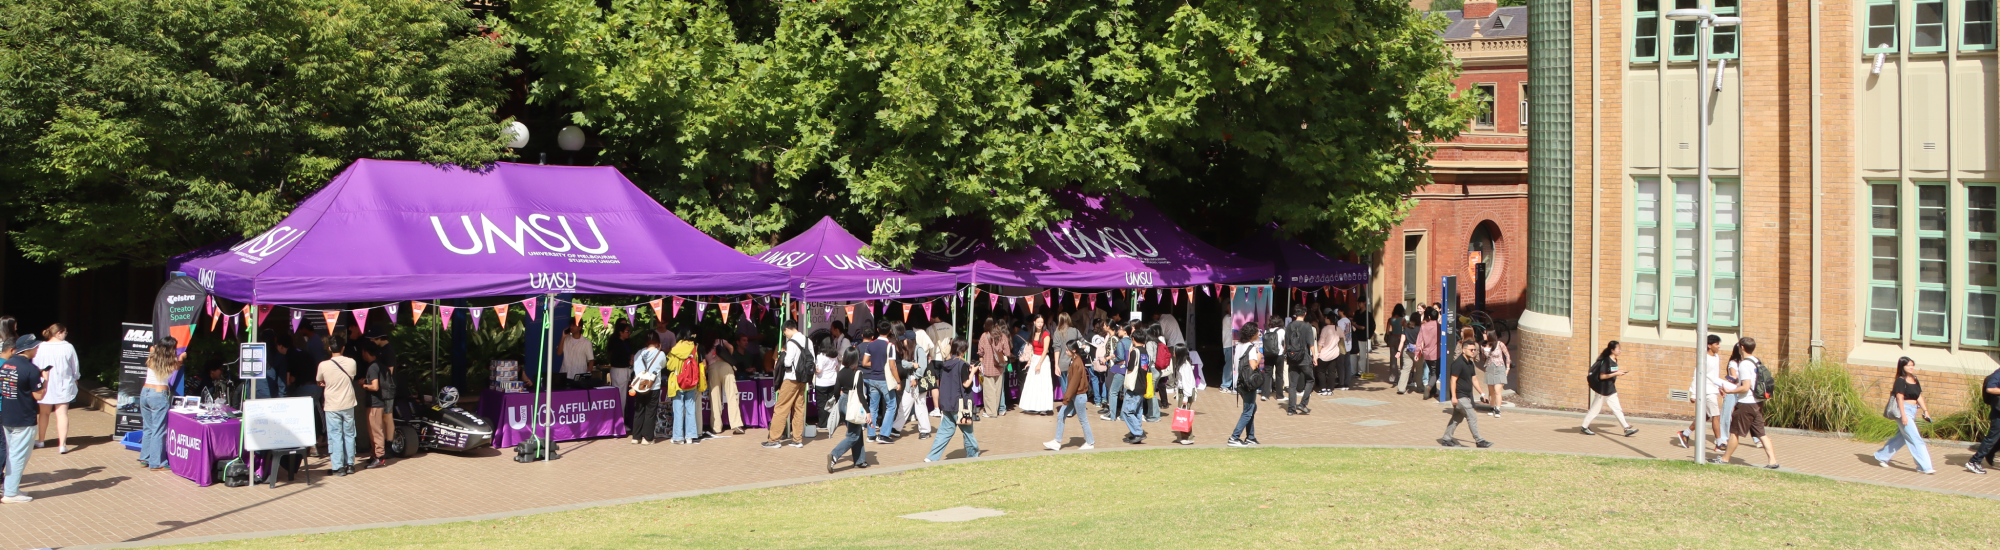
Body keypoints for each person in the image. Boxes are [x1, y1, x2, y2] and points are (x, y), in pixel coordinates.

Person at [1715, 338, 1778, 469]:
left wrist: (1729, 390)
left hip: (1746, 403)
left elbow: (1745, 387)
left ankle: (1725, 459)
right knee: (1761, 433)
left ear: (1742, 347)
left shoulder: (1744, 364)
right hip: (1757, 402)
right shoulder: (1756, 361)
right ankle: (1773, 461)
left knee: (1734, 433)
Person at [0, 335, 44, 503]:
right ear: (28, 349)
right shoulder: (31, 369)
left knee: (12, 453)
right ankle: (10, 493)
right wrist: (45, 380)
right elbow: (38, 395)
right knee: (19, 456)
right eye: (35, 347)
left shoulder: (6, 365)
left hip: (7, 416)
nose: (37, 350)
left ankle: (12, 488)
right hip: (24, 418)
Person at [1874, 357, 1936, 474]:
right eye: (1908, 365)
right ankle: (1925, 467)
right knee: (1916, 438)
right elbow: (1899, 398)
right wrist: (1903, 415)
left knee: (1902, 437)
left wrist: (1925, 410)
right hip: (1904, 410)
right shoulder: (1900, 380)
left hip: (1913, 410)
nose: (1911, 367)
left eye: (1912, 365)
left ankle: (1881, 456)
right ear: (1902, 366)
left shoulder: (1915, 379)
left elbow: (1918, 396)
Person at [926, 339, 979, 462]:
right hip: (959, 404)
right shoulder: (962, 364)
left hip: (946, 403)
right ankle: (973, 456)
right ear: (964, 350)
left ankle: (931, 457)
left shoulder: (947, 363)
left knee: (944, 432)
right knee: (968, 432)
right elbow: (966, 384)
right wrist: (973, 372)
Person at [1677, 334, 1732, 450]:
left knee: (1705, 416)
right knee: (1716, 416)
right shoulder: (1704, 359)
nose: (1719, 346)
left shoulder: (1716, 357)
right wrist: (1693, 394)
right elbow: (1697, 375)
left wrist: (1720, 388)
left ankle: (1685, 433)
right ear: (1709, 345)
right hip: (1706, 392)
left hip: (1713, 390)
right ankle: (1719, 443)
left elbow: (1714, 376)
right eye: (1717, 344)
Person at [316, 334, 360, 476]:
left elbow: (319, 380)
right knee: (349, 433)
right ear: (343, 348)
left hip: (332, 404)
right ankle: (350, 464)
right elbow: (352, 376)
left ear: (329, 348)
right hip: (348, 402)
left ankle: (338, 467)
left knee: (335, 435)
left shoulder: (323, 365)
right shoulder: (351, 362)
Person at [765, 321, 813, 449]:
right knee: (799, 409)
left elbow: (787, 363)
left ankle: (774, 439)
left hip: (791, 378)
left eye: (784, 332)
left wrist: (783, 354)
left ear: (787, 329)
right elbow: (812, 359)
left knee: (781, 408)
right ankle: (797, 439)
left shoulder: (791, 343)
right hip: (803, 379)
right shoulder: (808, 341)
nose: (785, 335)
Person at [32, 324, 78, 453]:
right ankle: (62, 445)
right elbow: (75, 366)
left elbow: (35, 366)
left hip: (45, 383)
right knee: (62, 414)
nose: (65, 335)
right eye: (65, 333)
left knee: (43, 413)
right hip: (63, 383)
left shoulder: (40, 347)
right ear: (59, 333)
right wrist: (76, 377)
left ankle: (41, 440)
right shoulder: (68, 347)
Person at [1439, 340, 1493, 448]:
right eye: (1471, 350)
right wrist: (1454, 397)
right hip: (1460, 397)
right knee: (1472, 417)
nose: (1473, 352)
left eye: (1474, 350)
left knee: (1456, 419)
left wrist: (1482, 394)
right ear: (1464, 350)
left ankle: (1446, 439)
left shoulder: (1470, 363)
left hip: (1467, 396)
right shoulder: (1458, 363)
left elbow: (1474, 379)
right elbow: (1453, 380)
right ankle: (1479, 441)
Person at [826, 348, 872, 472]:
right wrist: (868, 412)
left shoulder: (841, 372)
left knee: (856, 431)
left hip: (843, 402)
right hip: (853, 404)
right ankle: (834, 455)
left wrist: (839, 402)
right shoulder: (858, 373)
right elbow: (860, 394)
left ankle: (860, 460)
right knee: (853, 435)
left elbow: (836, 391)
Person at [1579, 341, 1638, 437]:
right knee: (1594, 410)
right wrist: (1616, 373)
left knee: (1617, 409)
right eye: (1618, 349)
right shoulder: (1607, 361)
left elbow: (1611, 371)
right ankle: (1584, 427)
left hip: (1611, 390)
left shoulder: (1614, 360)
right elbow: (1602, 376)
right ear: (1612, 350)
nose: (1620, 350)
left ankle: (1626, 428)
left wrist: (1619, 372)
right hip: (1603, 390)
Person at [1048, 336, 1096, 451]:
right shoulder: (1074, 360)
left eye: (1067, 350)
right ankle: (1057, 441)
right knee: (1061, 416)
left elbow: (1074, 384)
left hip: (1078, 396)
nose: (1066, 352)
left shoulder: (1076, 363)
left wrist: (1066, 399)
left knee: (1083, 420)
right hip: (1075, 396)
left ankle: (1090, 442)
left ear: (1073, 350)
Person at [139, 338, 180, 472]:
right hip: (158, 394)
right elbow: (178, 365)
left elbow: (153, 348)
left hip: (145, 392)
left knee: (148, 427)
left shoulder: (152, 356)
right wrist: (182, 356)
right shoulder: (172, 361)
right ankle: (157, 462)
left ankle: (145, 458)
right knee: (159, 429)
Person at [357, 341, 398, 468]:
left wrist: (363, 385)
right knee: (373, 429)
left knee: (376, 430)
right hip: (379, 402)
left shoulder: (373, 367)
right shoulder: (380, 365)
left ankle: (379, 457)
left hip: (375, 403)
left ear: (366, 352)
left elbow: (375, 387)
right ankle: (375, 455)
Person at [890, 326, 933, 440]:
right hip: (910, 382)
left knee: (920, 407)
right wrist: (913, 365)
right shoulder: (908, 351)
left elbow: (922, 367)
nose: (902, 342)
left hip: (918, 383)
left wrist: (916, 377)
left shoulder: (919, 350)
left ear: (908, 340)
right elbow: (903, 364)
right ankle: (896, 428)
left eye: (904, 340)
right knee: (904, 406)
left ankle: (925, 430)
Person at [1227, 323, 1263, 447]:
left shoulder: (1239, 345)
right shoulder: (1251, 348)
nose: (1259, 333)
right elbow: (1253, 366)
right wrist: (1259, 357)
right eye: (1257, 331)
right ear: (1252, 334)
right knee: (1248, 411)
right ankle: (1234, 437)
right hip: (1248, 383)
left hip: (1240, 382)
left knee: (1252, 407)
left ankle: (1250, 437)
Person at [665, 334, 704, 444]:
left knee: (678, 410)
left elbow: (670, 366)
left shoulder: (675, 349)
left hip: (678, 382)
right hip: (691, 382)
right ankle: (690, 436)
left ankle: (678, 437)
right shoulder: (694, 348)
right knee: (691, 409)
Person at [629, 331, 665, 445]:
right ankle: (647, 438)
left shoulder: (639, 353)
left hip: (639, 385)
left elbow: (635, 368)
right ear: (657, 341)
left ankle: (636, 437)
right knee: (650, 411)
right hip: (653, 386)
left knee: (639, 410)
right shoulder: (660, 354)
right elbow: (663, 365)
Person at [704, 338, 746, 436]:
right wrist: (729, 355)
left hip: (712, 369)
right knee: (732, 395)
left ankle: (716, 427)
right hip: (725, 366)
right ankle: (736, 424)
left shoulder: (704, 345)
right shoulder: (721, 341)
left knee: (715, 398)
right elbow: (731, 347)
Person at [1119, 327, 1153, 444]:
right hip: (1142, 385)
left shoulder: (1135, 351)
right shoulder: (1145, 352)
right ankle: (1135, 434)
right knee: (1137, 412)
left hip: (1134, 386)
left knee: (1127, 411)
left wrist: (1129, 355)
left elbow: (1130, 368)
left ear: (1133, 339)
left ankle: (1138, 432)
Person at [1965, 364, 2000, 474]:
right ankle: (1974, 461)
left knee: (1995, 438)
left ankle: (1990, 452)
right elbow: (1990, 388)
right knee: (1991, 438)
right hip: (1998, 414)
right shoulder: (1998, 374)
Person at [1283, 306, 1316, 414]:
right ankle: (1303, 404)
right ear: (1305, 313)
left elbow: (1286, 343)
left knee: (1292, 384)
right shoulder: (1307, 326)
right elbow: (1311, 344)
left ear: (1295, 314)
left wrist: (1286, 353)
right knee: (1310, 380)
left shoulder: (1289, 326)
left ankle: (1291, 409)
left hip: (1292, 358)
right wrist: (1314, 356)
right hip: (1304, 357)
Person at [1167, 343, 1199, 445]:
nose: (1173, 352)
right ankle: (1184, 436)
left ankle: (1188, 437)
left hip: (1186, 392)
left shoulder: (1185, 366)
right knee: (1182, 413)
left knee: (1184, 414)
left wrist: (1185, 397)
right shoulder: (1181, 364)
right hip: (1182, 391)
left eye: (1174, 351)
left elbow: (1187, 383)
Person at [812, 331, 843, 435]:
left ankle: (822, 424)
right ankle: (831, 422)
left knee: (822, 404)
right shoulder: (834, 355)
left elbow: (819, 370)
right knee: (831, 403)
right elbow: (837, 367)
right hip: (833, 381)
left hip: (822, 382)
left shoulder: (821, 356)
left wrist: (813, 369)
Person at [977, 320, 1009, 417]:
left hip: (987, 367)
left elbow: (980, 351)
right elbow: (1007, 352)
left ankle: (991, 412)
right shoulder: (1003, 336)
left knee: (989, 391)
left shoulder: (984, 336)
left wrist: (982, 363)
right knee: (997, 391)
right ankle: (995, 410)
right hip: (999, 368)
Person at [1100, 322, 1131, 421]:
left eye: (1120, 329)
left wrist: (1114, 359)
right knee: (1126, 393)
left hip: (1120, 369)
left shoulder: (1121, 342)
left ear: (1125, 331)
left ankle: (1112, 415)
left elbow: (1120, 356)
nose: (1118, 331)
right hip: (1129, 370)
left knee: (1113, 392)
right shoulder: (1131, 341)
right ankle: (1122, 415)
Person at [607, 322, 635, 413]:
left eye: (629, 331)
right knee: (620, 396)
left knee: (623, 397)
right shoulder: (616, 343)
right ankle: (619, 417)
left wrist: (631, 357)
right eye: (627, 331)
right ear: (620, 332)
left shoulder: (627, 342)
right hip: (619, 371)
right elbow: (616, 359)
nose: (629, 333)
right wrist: (628, 361)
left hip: (626, 370)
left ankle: (621, 416)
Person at [1482, 331, 1512, 417]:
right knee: (1491, 391)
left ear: (1490, 335)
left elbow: (1507, 355)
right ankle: (1492, 407)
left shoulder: (1500, 344)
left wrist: (1508, 368)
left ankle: (1498, 409)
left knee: (1497, 390)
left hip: (1499, 368)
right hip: (1490, 369)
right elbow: (1484, 358)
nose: (1483, 335)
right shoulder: (1483, 346)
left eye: (1485, 334)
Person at [1413, 308, 1440, 396]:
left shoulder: (1423, 326)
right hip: (1436, 353)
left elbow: (1419, 340)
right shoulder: (1439, 327)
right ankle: (1429, 387)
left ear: (1429, 316)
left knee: (1432, 372)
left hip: (1426, 353)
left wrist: (1417, 353)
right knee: (1435, 373)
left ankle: (1433, 391)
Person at [1315, 309, 1341, 395]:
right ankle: (1330, 389)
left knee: (1321, 371)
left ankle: (1323, 388)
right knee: (1332, 371)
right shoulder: (1338, 328)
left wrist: (1317, 354)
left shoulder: (1325, 329)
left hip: (1324, 354)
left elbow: (1320, 343)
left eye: (1326, 318)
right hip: (1335, 353)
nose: (1325, 319)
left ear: (1329, 319)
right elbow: (1342, 339)